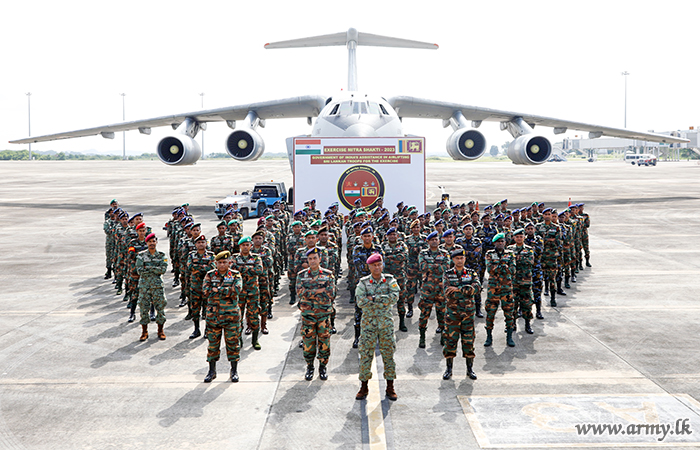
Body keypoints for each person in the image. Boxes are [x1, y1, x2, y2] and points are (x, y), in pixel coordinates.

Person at [355, 254, 400, 401]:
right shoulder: (363, 282)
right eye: (374, 265)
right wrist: (383, 300)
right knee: (365, 354)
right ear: (369, 267)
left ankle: (390, 386)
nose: (377, 267)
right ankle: (363, 386)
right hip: (368, 324)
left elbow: (395, 297)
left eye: (379, 264)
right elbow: (361, 302)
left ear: (382, 265)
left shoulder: (390, 280)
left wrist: (374, 298)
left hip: (385, 323)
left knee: (388, 354)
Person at [202, 251, 243, 383]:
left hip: (231, 317)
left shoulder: (235, 275)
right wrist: (225, 290)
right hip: (214, 317)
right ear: (215, 263)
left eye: (224, 262)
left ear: (229, 262)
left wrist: (217, 290)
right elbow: (205, 291)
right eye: (219, 262)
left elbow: (236, 290)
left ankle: (234, 371)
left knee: (233, 344)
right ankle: (212, 371)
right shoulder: (210, 275)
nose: (222, 265)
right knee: (213, 345)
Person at [296, 247, 336, 381]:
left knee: (324, 342)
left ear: (320, 259)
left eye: (315, 258)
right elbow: (300, 293)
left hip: (323, 315)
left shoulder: (328, 274)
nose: (312, 261)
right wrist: (320, 290)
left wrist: (310, 291)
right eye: (310, 259)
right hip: (308, 316)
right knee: (308, 343)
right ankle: (310, 366)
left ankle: (323, 367)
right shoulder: (302, 275)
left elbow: (331, 293)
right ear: (307, 260)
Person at [442, 249, 481, 380]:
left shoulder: (471, 273)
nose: (460, 260)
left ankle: (470, 369)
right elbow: (447, 291)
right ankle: (449, 369)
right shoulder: (447, 274)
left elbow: (477, 288)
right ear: (453, 260)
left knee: (469, 341)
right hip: (452, 314)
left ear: (465, 259)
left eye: (462, 258)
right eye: (457, 258)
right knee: (450, 341)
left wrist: (458, 289)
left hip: (468, 314)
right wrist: (466, 289)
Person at [417, 231, 450, 348]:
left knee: (442, 313)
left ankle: (442, 336)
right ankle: (422, 337)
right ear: (428, 242)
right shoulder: (423, 253)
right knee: (424, 313)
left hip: (441, 288)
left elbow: (446, 267)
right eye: (432, 240)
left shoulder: (445, 253)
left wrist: (431, 265)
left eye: (436, 239)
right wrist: (437, 266)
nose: (434, 241)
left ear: (439, 241)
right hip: (427, 289)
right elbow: (422, 267)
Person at [231, 236, 264, 350]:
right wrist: (249, 269)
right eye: (243, 245)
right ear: (240, 246)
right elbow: (232, 272)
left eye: (247, 245)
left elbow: (259, 270)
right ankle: (239, 339)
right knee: (238, 317)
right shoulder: (235, 258)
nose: (245, 247)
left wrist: (241, 269)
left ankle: (255, 340)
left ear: (251, 246)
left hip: (253, 292)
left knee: (254, 316)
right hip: (239, 293)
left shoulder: (256, 257)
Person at [483, 233, 516, 348]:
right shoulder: (489, 254)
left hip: (507, 289)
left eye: (502, 241)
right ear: (494, 243)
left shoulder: (510, 254)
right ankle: (489, 336)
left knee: (509, 313)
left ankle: (509, 337)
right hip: (493, 289)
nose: (500, 243)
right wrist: (503, 267)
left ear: (505, 242)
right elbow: (489, 269)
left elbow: (513, 269)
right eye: (498, 242)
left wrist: (501, 267)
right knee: (490, 313)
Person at [135, 233, 168, 341]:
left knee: (160, 308)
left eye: (153, 241)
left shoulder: (162, 255)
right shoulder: (141, 256)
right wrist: (155, 269)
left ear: (156, 242)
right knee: (144, 308)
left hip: (157, 286)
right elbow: (140, 271)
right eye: (149, 242)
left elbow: (163, 270)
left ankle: (160, 330)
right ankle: (144, 331)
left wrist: (148, 268)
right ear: (146, 242)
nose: (152, 244)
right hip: (144, 286)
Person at [507, 229, 535, 334]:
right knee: (513, 304)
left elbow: (530, 261)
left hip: (526, 282)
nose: (519, 238)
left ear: (524, 237)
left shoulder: (529, 249)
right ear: (514, 238)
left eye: (521, 236)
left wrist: (516, 259)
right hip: (513, 282)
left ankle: (527, 325)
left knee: (527, 304)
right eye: (517, 236)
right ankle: (512, 324)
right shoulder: (509, 249)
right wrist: (521, 259)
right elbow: (507, 262)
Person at [187, 234, 215, 339]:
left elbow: (212, 268)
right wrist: (204, 267)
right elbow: (190, 267)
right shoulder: (191, 255)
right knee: (195, 309)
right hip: (195, 287)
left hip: (207, 286)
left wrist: (198, 268)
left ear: (206, 243)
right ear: (195, 244)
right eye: (198, 242)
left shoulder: (211, 255)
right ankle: (196, 329)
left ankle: (207, 330)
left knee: (208, 309)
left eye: (203, 242)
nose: (201, 244)